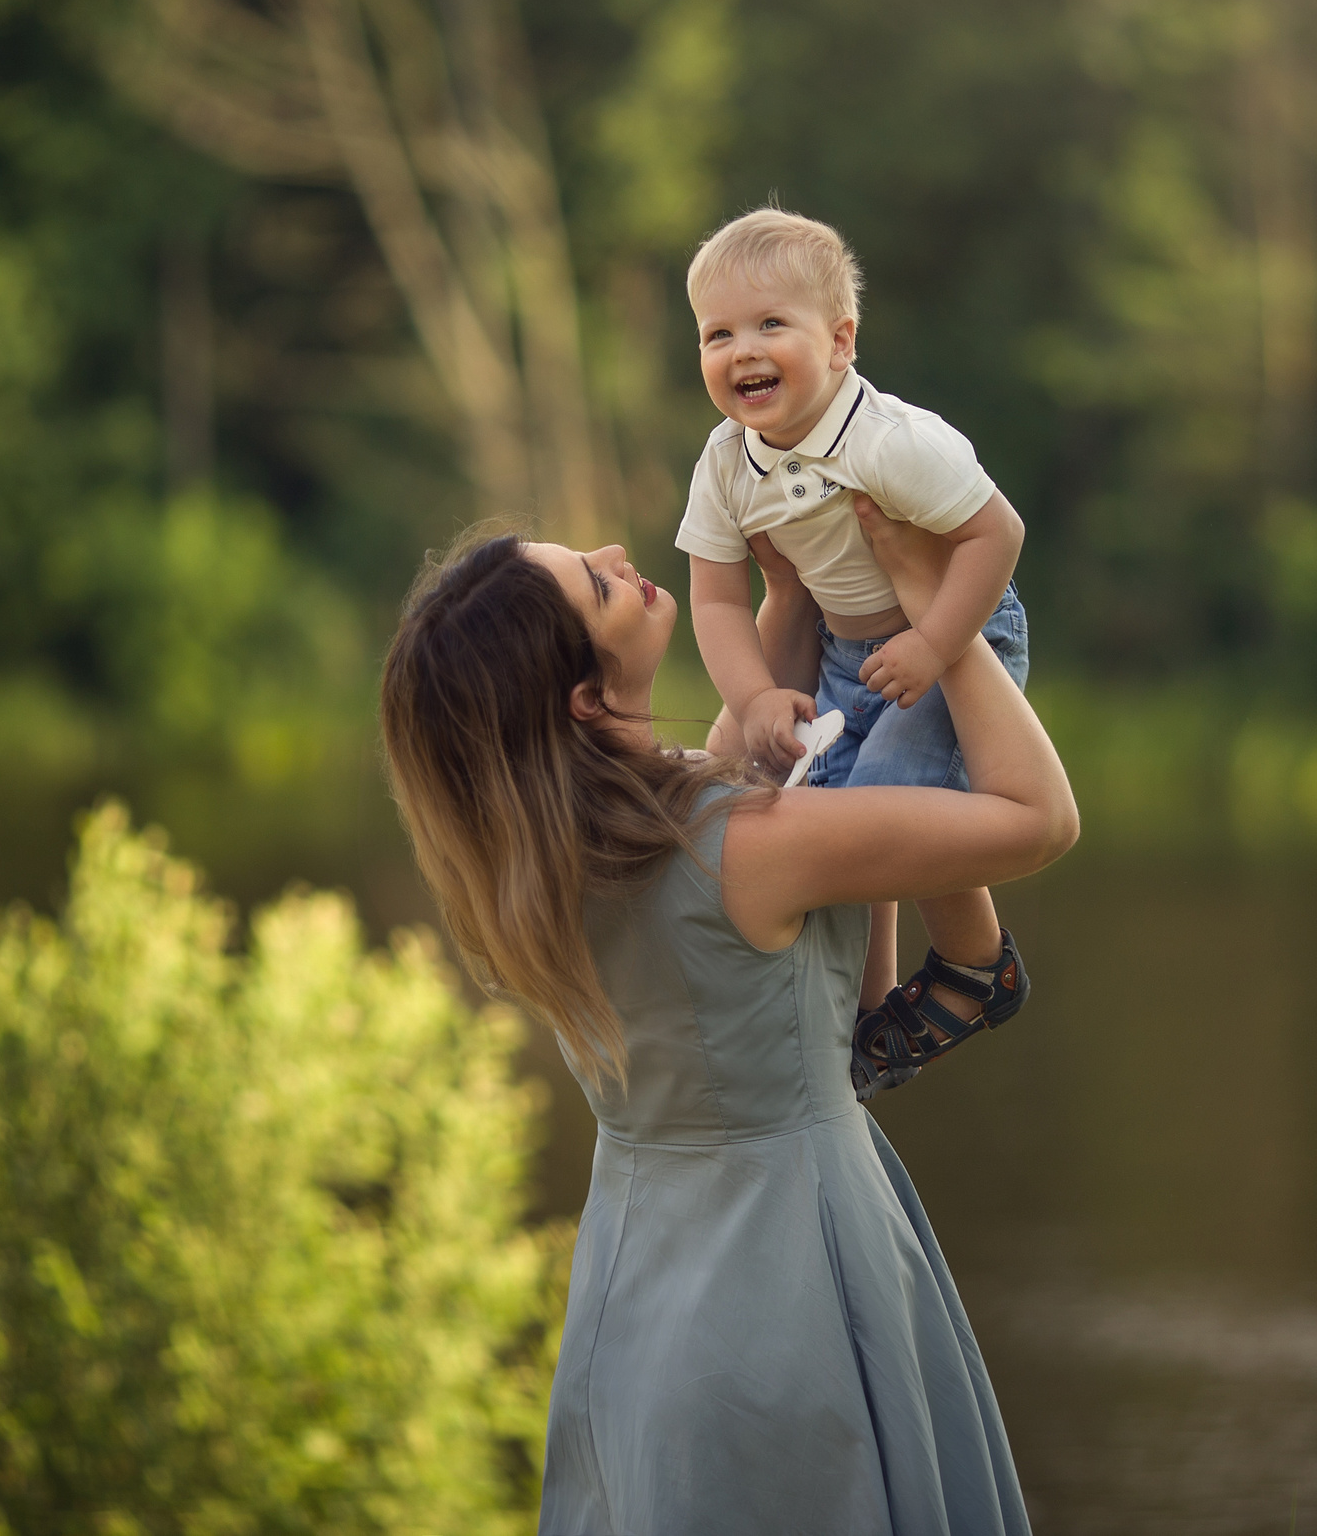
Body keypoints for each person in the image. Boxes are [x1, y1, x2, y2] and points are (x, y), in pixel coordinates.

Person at [378, 501, 1076, 1536]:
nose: (620, 556)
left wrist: (793, 594)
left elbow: (761, 750)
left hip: (645, 1290)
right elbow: (1038, 819)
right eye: (598, 583)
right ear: (579, 697)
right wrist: (943, 622)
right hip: (788, 1272)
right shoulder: (746, 845)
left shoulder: (549, 866)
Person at [675, 204, 1033, 1097]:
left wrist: (935, 643)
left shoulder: (891, 443)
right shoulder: (725, 464)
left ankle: (977, 965)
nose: (742, 349)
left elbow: (998, 536)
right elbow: (717, 597)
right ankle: (870, 1005)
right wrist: (756, 696)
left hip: (957, 631)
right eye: (718, 333)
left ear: (840, 343)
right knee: (837, 824)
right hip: (846, 652)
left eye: (770, 325)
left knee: (894, 808)